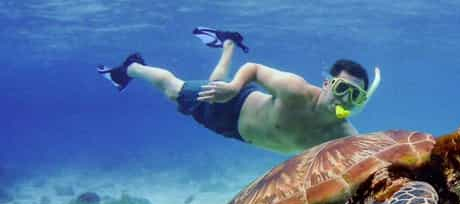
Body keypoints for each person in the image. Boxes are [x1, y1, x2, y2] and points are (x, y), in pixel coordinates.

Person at [97, 27, 380, 154]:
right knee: (174, 91)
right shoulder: (295, 91)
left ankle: (228, 43)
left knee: (211, 83)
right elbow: (255, 69)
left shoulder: (343, 134)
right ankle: (132, 68)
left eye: (355, 95)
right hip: (233, 105)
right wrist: (233, 88)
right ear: (328, 84)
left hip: (240, 135)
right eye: (342, 88)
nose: (345, 98)